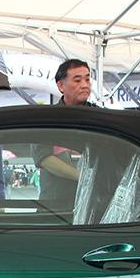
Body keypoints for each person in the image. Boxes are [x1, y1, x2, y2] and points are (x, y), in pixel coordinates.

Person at [30, 59, 97, 213]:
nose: (85, 85)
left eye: (87, 79)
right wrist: (82, 177)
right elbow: (44, 158)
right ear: (61, 86)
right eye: (77, 80)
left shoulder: (100, 116)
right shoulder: (48, 119)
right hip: (55, 208)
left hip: (93, 205)